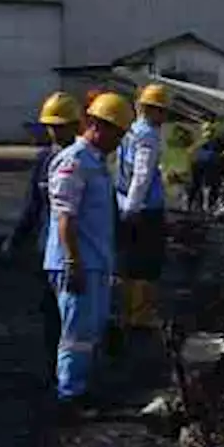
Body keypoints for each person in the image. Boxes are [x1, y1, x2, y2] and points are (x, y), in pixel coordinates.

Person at [45, 92, 134, 422]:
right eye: (117, 133)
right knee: (76, 334)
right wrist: (73, 261)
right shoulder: (75, 161)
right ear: (97, 126)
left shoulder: (94, 162)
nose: (119, 141)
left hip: (93, 261)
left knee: (88, 330)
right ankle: (69, 397)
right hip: (77, 262)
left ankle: (79, 388)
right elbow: (64, 217)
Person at [0, 93, 83, 385]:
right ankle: (56, 370)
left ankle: (72, 377)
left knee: (76, 318)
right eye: (51, 126)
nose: (55, 132)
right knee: (51, 315)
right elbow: (32, 205)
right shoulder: (45, 161)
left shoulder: (85, 160)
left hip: (78, 250)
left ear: (76, 126)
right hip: (47, 250)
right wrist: (16, 238)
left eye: (61, 126)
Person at [114, 83, 171, 331]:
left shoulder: (131, 132)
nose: (165, 117)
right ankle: (140, 315)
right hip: (144, 210)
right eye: (163, 111)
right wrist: (133, 209)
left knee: (128, 263)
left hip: (126, 203)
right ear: (153, 110)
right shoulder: (148, 136)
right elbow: (142, 175)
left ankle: (128, 311)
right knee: (147, 266)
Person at [187, 121, 224, 212]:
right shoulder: (200, 144)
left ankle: (207, 207)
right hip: (202, 167)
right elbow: (191, 154)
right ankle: (194, 207)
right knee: (198, 186)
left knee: (210, 186)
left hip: (210, 168)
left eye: (211, 132)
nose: (209, 135)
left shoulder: (217, 143)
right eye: (207, 132)